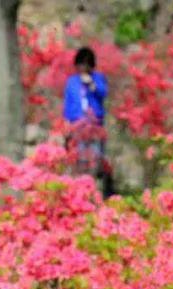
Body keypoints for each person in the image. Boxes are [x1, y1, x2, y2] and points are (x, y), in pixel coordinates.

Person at [63, 47, 112, 196]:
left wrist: (91, 84)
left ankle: (94, 189)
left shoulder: (98, 78)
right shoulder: (71, 82)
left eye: (86, 65)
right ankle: (79, 190)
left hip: (94, 125)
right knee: (79, 158)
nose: (82, 69)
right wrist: (67, 123)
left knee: (95, 158)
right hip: (77, 125)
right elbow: (68, 103)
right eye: (80, 65)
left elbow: (103, 93)